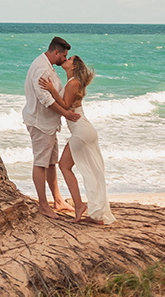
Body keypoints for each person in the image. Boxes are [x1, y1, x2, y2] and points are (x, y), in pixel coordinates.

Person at [39, 55, 115, 225]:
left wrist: (51, 89)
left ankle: (81, 206)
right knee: (88, 171)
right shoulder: (72, 81)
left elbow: (65, 106)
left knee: (65, 166)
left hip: (81, 130)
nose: (66, 59)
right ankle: (94, 213)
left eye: (70, 58)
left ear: (74, 66)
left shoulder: (73, 83)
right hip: (83, 129)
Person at [23, 36, 80, 218]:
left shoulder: (48, 66)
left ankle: (57, 200)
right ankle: (43, 205)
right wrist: (66, 114)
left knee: (50, 162)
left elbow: (53, 95)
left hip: (49, 124)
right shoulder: (41, 68)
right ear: (56, 52)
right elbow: (45, 100)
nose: (64, 59)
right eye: (64, 56)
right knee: (40, 163)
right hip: (40, 123)